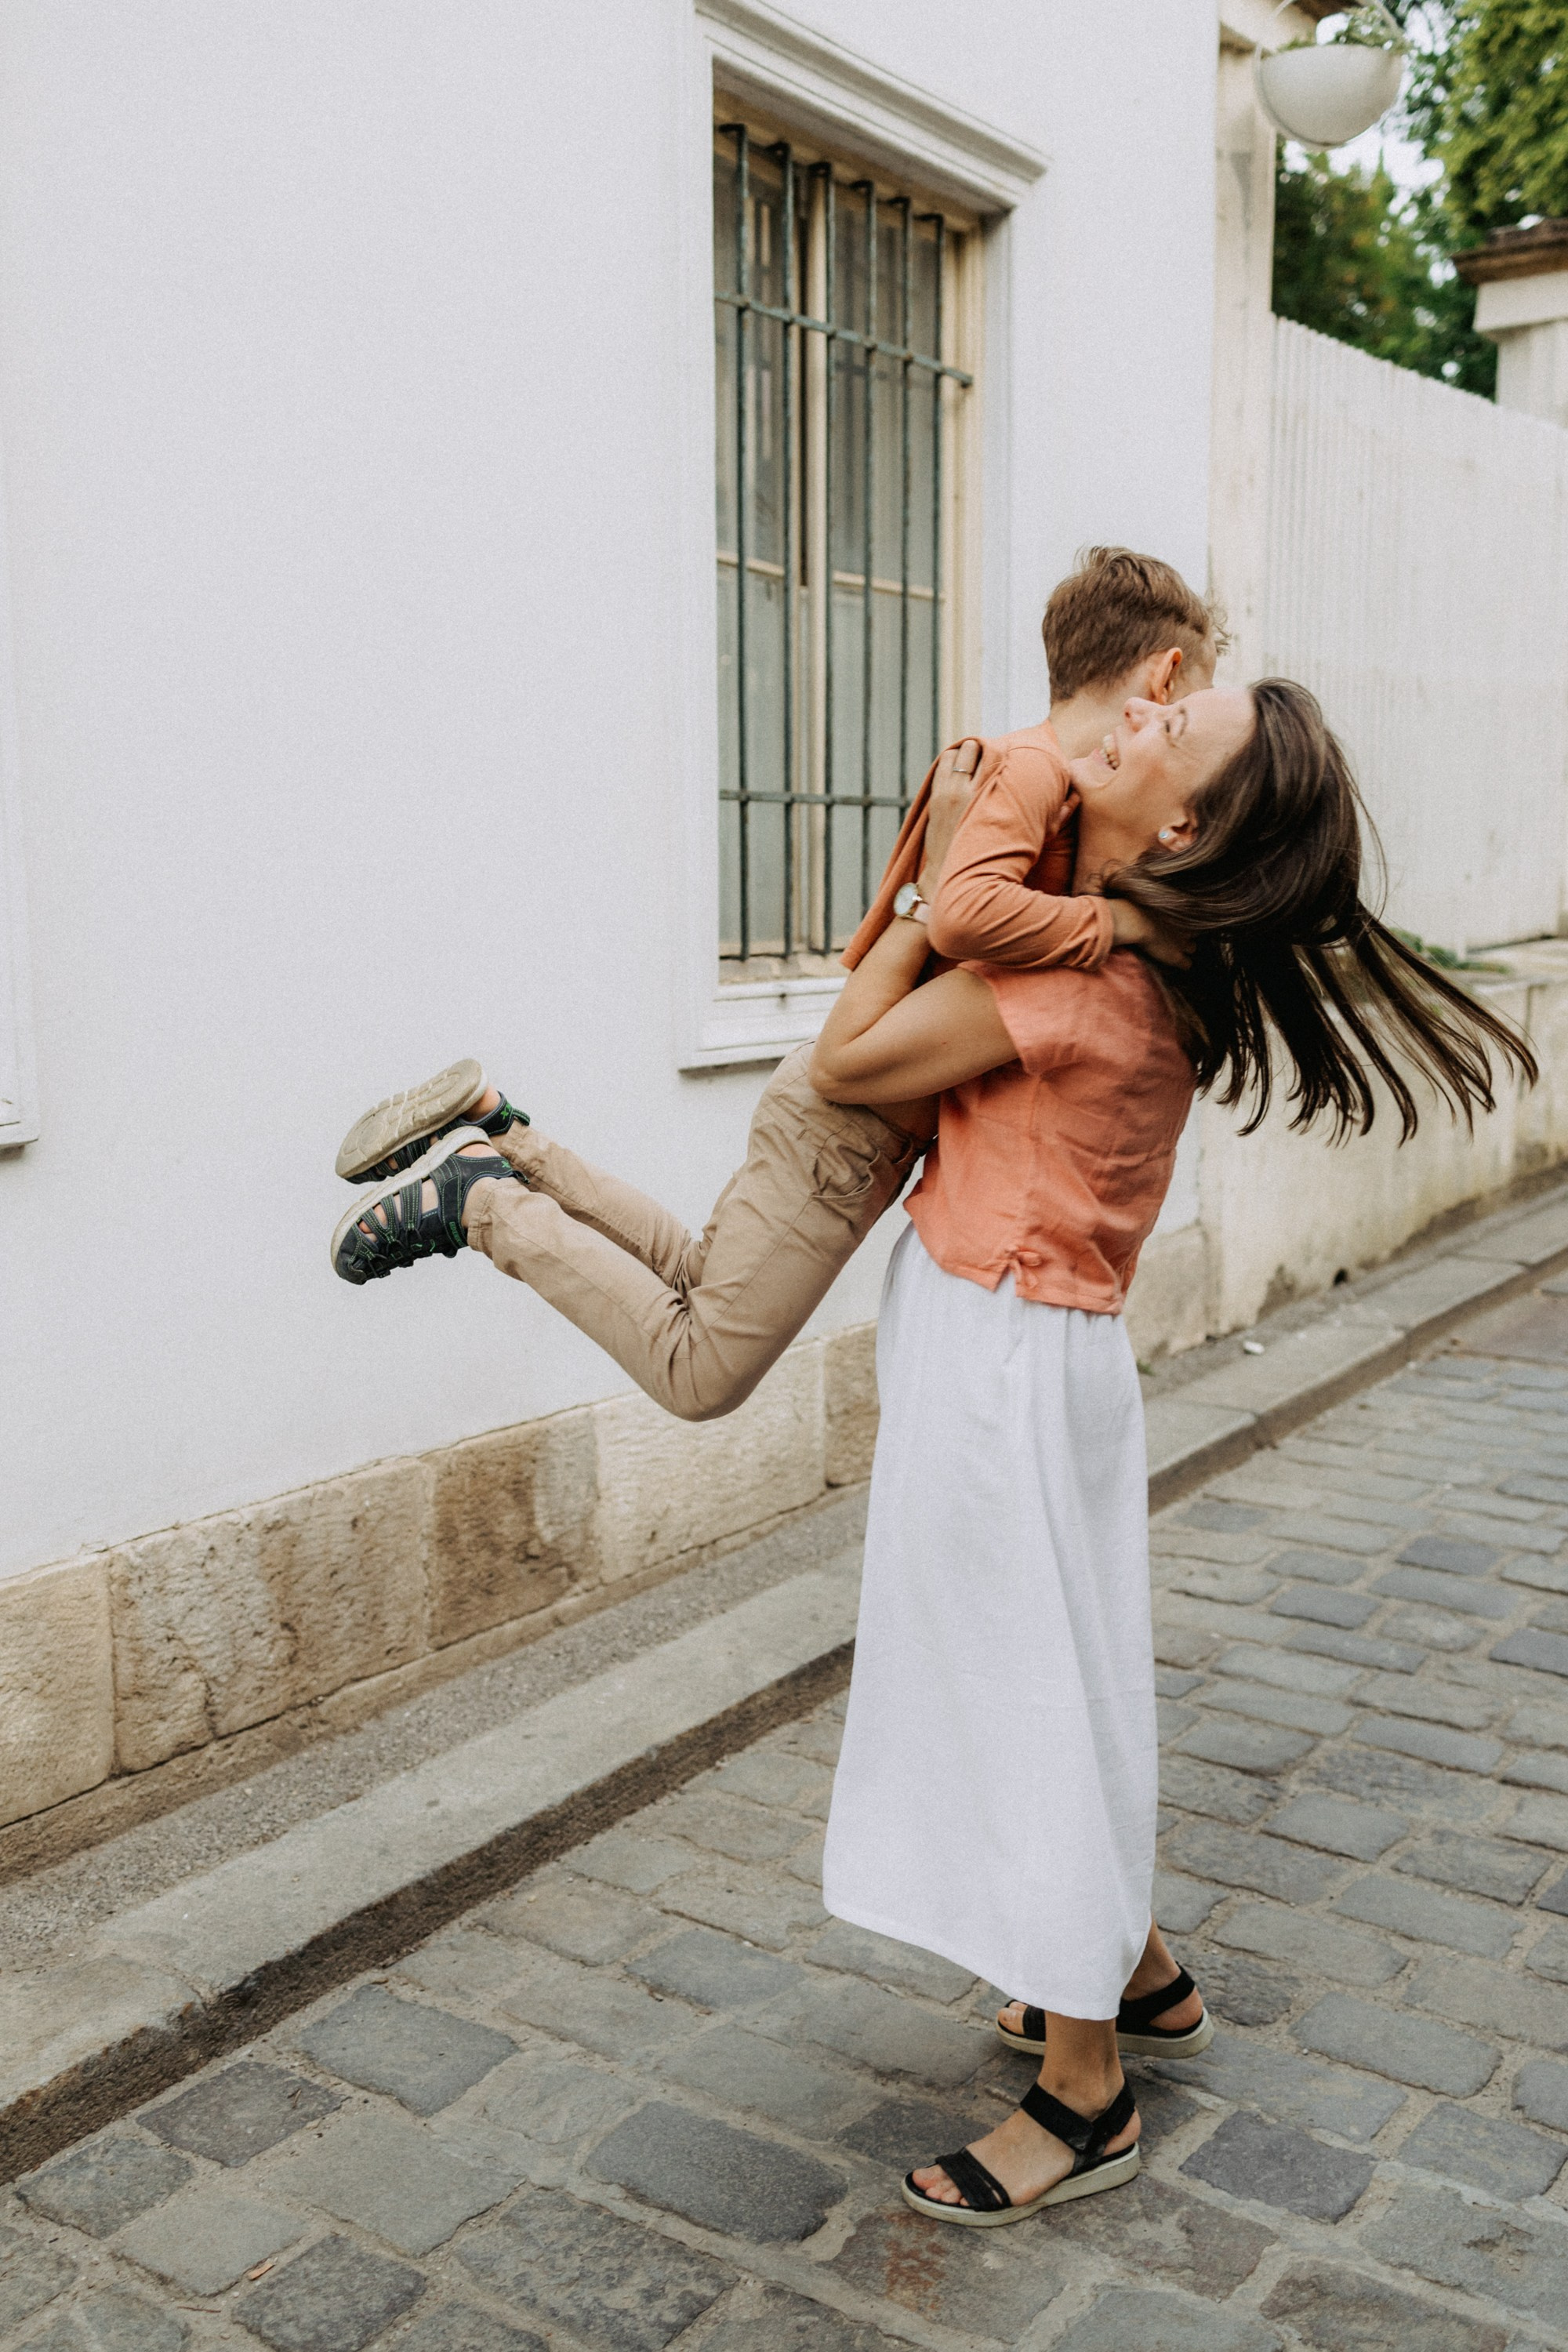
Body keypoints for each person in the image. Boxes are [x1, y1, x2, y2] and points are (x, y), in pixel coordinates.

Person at [803, 677, 1535, 2228]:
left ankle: (1084, 2091)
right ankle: (1136, 1975)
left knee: (1020, 1700)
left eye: (1160, 732)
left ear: (1181, 825)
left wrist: (942, 890)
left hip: (998, 1356)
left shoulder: (1073, 982)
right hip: (1049, 1351)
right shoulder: (1166, 969)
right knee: (1058, 1666)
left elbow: (846, 1063)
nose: (1130, 722)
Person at [328, 548, 1221, 1417]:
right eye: (1197, 701)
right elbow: (961, 919)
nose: (1181, 729)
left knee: (689, 1281)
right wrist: (1117, 923)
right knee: (699, 1372)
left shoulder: (1041, 782)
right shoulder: (1034, 773)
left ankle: (502, 1139)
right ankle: (479, 1205)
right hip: (856, 1119)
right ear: (1164, 675)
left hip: (861, 1109)